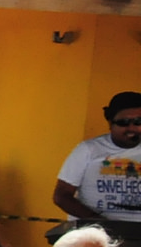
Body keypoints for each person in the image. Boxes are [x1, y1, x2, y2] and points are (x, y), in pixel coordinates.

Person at [51, 90, 141, 222]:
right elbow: (62, 196)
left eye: (138, 121)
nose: (132, 128)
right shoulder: (88, 150)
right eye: (124, 122)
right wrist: (98, 221)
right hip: (95, 230)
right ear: (110, 123)